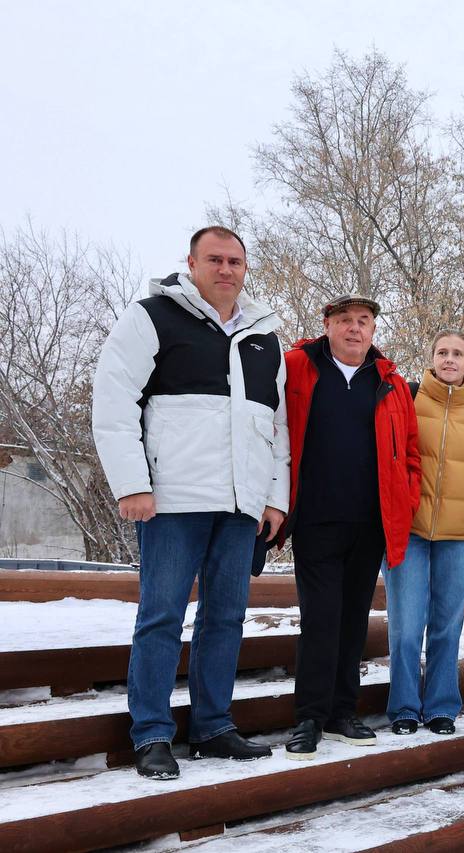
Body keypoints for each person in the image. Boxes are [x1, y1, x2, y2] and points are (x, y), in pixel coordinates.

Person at [92, 226, 289, 779]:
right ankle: (152, 734)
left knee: (225, 617)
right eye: (215, 260)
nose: (226, 270)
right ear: (192, 263)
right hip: (172, 500)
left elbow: (276, 424)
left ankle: (213, 726)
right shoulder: (152, 316)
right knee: (162, 615)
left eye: (235, 261)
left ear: (245, 268)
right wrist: (132, 483)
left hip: (240, 504)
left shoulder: (263, 335)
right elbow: (113, 397)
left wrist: (275, 498)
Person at [276, 295, 420, 760]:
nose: (354, 329)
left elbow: (411, 452)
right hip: (317, 518)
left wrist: (405, 497)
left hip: (371, 521)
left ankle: (343, 712)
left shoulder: (391, 381)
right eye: (345, 321)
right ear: (327, 326)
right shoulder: (298, 366)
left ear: (373, 330)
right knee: (321, 618)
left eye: (363, 322)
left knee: (355, 619)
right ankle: (309, 718)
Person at [384, 331, 464, 736]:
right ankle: (403, 708)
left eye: (458, 353)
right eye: (442, 352)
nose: (450, 359)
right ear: (431, 358)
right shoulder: (408, 401)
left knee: (448, 624)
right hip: (409, 530)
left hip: (458, 534)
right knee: (406, 623)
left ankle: (441, 707)